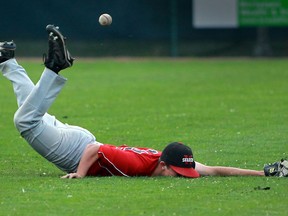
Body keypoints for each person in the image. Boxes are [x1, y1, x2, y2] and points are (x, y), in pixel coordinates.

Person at [0, 25, 287, 179]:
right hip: (77, 152)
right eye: (179, 173)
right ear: (164, 166)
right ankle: (54, 67)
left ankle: (8, 61)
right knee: (25, 120)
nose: (182, 176)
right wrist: (80, 174)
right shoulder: (139, 164)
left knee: (29, 110)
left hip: (78, 141)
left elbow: (212, 169)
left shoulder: (165, 163)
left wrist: (263, 172)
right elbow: (94, 149)